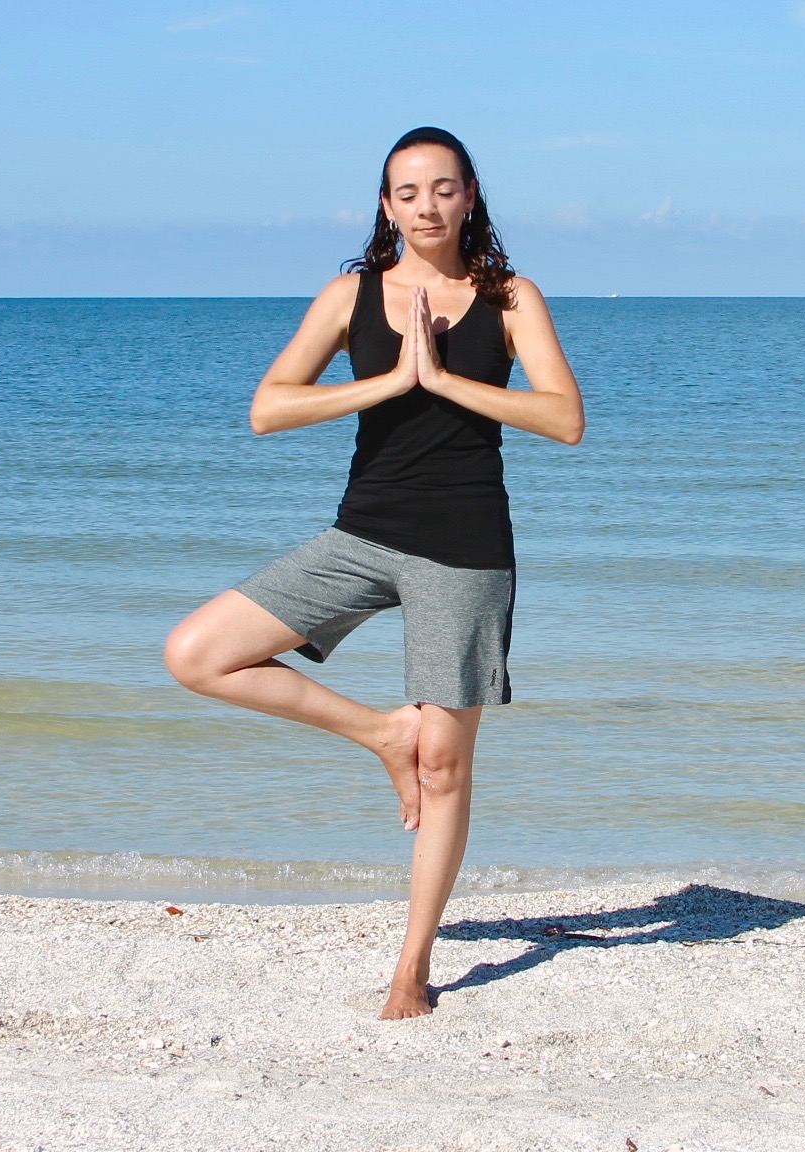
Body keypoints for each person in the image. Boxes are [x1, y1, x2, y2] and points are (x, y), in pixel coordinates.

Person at [162, 127, 584, 1020]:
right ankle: (378, 735)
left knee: (446, 767)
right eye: (405, 192)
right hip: (362, 533)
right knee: (198, 654)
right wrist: (391, 381)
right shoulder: (349, 295)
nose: (424, 206)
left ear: (471, 194)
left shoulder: (509, 297)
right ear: (384, 204)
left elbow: (563, 418)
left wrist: (445, 381)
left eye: (442, 188)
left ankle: (412, 969)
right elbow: (269, 410)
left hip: (465, 546)